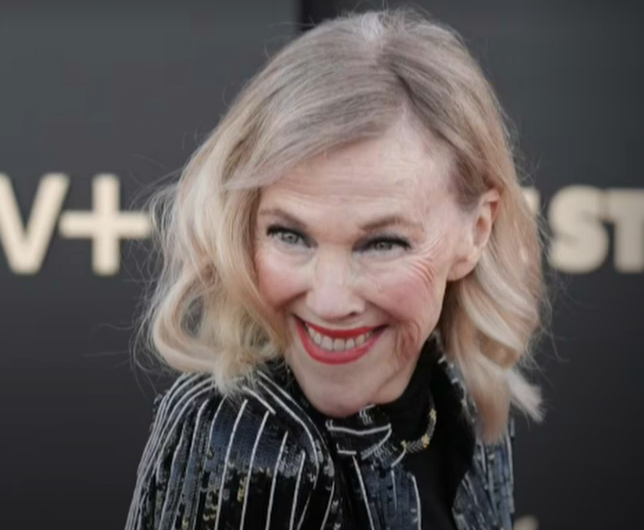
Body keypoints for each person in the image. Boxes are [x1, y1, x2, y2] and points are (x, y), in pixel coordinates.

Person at [125, 7, 548, 530]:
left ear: (476, 232)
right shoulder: (240, 441)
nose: (329, 301)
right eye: (290, 235)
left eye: (382, 244)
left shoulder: (470, 403)